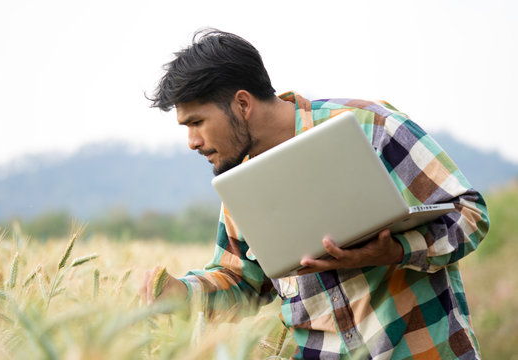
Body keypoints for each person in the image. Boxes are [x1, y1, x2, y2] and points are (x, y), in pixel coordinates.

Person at [140, 29, 490, 360]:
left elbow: (470, 215)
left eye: (196, 122)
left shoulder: (373, 128)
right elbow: (243, 281)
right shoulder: (240, 184)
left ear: (242, 104)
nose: (192, 142)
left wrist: (395, 251)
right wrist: (181, 293)